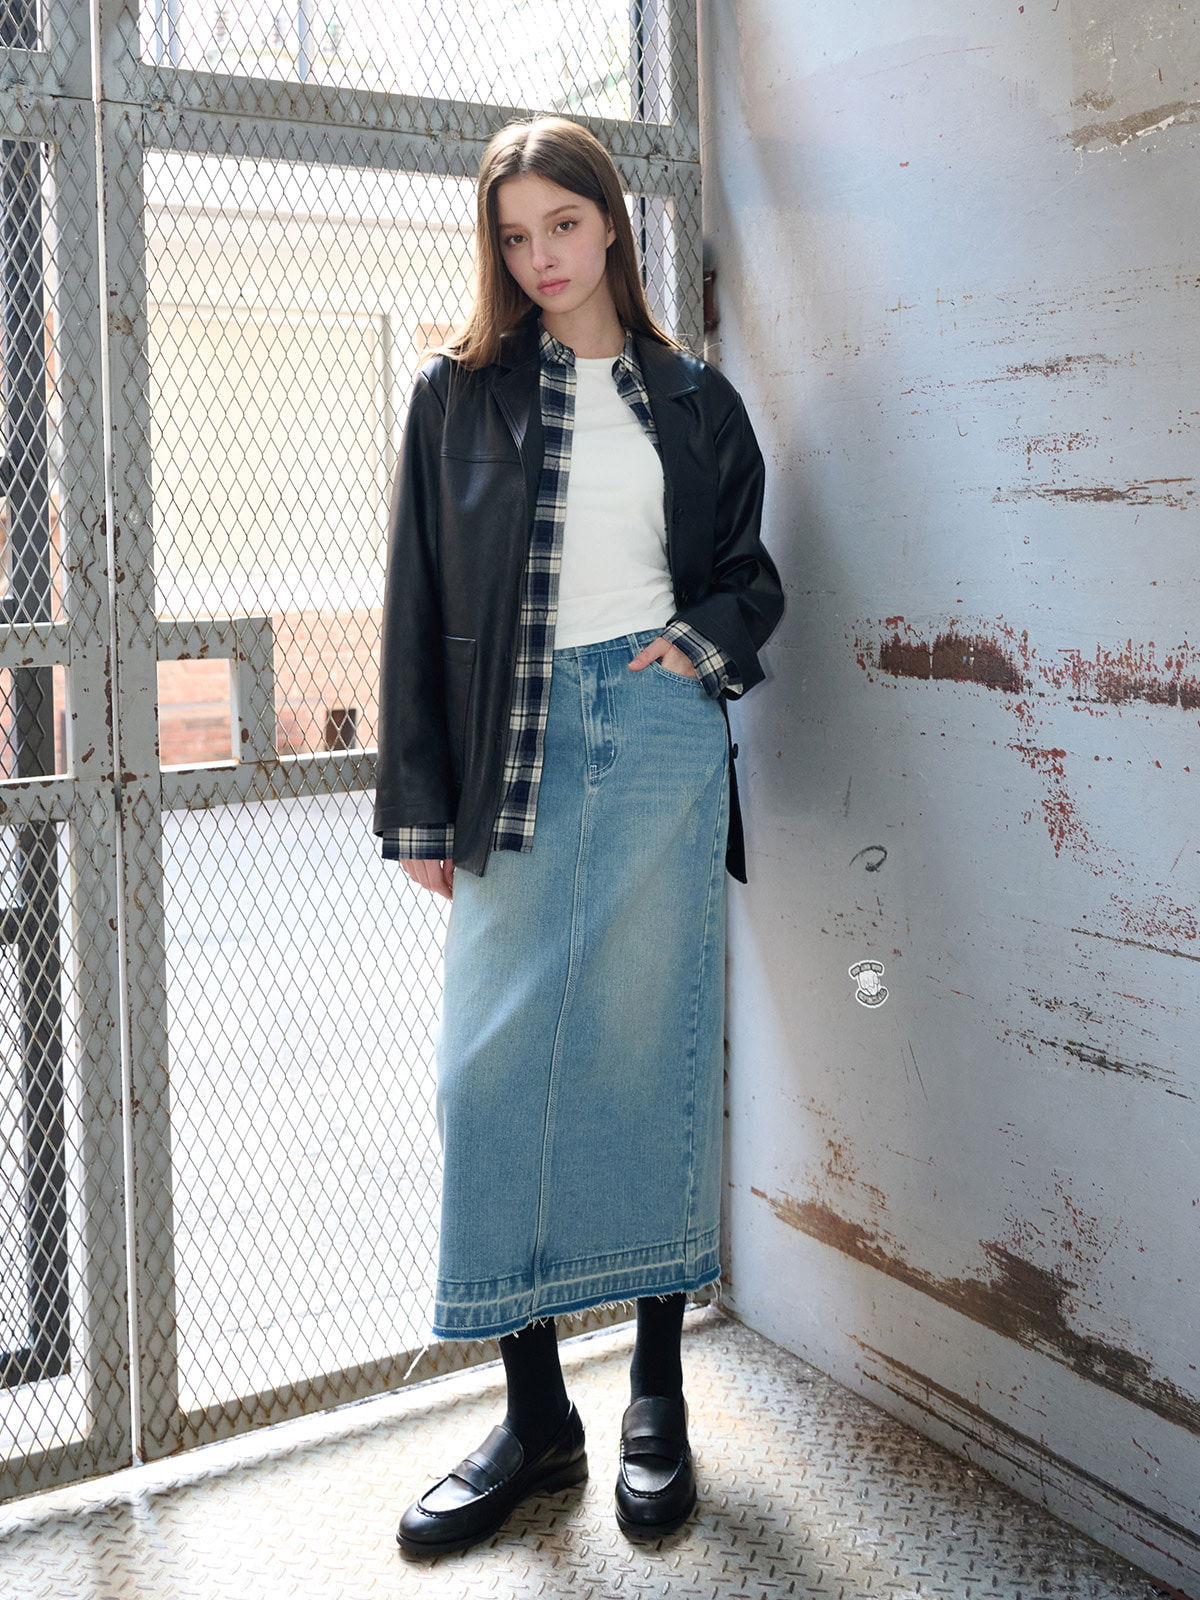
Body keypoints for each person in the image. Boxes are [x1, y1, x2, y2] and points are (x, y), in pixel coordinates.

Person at [375, 115, 783, 1557]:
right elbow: (420, 603)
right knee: (489, 1077)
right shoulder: (457, 396)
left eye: (562, 224)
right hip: (515, 742)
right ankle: (537, 1414)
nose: (541, 256)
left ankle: (657, 1393)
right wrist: (421, 805)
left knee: (648, 1052)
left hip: (660, 731)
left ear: (611, 222)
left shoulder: (696, 401)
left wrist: (691, 653)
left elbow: (749, 580)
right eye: (514, 235)